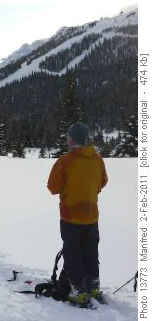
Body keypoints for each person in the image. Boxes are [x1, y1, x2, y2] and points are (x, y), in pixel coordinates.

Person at [47, 122, 108, 305]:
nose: (67, 140)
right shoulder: (97, 159)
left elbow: (52, 187)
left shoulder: (66, 161)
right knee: (90, 251)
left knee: (72, 253)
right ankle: (93, 286)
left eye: (68, 137)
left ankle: (78, 290)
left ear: (72, 140)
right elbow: (103, 182)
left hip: (70, 216)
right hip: (91, 215)